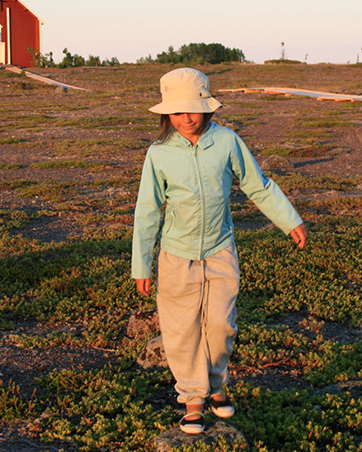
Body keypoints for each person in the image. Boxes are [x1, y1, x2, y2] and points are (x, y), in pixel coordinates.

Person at [131, 67, 307, 434]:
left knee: (221, 326)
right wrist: (141, 265)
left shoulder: (226, 141)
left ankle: (216, 384)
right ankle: (193, 399)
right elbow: (147, 210)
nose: (186, 118)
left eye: (193, 109)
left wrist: (289, 219)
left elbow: (257, 186)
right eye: (177, 112)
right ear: (167, 114)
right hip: (176, 256)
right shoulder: (158, 153)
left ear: (208, 108)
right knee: (180, 331)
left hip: (220, 251)